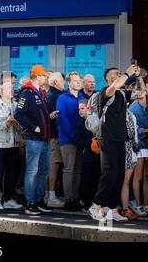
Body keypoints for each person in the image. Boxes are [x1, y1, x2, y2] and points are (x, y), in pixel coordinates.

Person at [88, 64, 139, 222]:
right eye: (115, 74)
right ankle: (95, 206)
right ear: (107, 79)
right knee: (109, 173)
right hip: (107, 137)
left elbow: (141, 92)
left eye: (119, 73)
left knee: (119, 175)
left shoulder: (122, 94)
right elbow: (116, 85)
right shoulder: (105, 92)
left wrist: (137, 76)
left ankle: (111, 208)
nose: (118, 75)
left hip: (121, 138)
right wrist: (126, 73)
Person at [14, 65, 52, 215]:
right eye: (44, 76)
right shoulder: (28, 93)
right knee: (32, 171)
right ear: (37, 77)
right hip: (34, 139)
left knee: (45, 169)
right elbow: (19, 114)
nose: (46, 78)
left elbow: (36, 114)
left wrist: (48, 118)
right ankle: (30, 203)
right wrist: (32, 127)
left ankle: (38, 200)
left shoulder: (39, 92)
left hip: (43, 139)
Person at [0, 81, 23, 211]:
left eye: (12, 88)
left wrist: (17, 124)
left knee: (11, 173)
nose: (12, 90)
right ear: (1, 91)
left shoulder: (16, 105)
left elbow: (22, 123)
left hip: (13, 143)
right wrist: (5, 124)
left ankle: (7, 199)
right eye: (8, 88)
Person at [129, 76, 148, 217]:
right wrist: (146, 130)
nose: (140, 93)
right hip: (139, 145)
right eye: (137, 90)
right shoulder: (133, 107)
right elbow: (132, 128)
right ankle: (138, 205)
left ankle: (146, 205)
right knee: (138, 177)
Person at [56, 72, 85, 211]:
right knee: (69, 169)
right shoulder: (62, 98)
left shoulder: (82, 97)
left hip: (81, 140)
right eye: (75, 80)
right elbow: (63, 120)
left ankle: (75, 198)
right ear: (69, 83)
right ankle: (69, 199)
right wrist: (75, 136)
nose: (78, 82)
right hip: (68, 139)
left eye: (79, 80)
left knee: (78, 170)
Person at [75, 100, 101, 211]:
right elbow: (78, 141)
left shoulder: (97, 122)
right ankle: (86, 203)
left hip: (99, 156)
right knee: (87, 180)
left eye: (82, 108)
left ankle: (96, 203)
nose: (80, 111)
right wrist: (90, 141)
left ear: (88, 109)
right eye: (79, 109)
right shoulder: (79, 124)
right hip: (87, 156)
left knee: (97, 180)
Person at [45, 72, 65, 209]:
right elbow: (47, 117)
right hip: (54, 136)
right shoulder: (53, 96)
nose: (64, 82)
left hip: (53, 136)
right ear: (55, 83)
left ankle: (48, 195)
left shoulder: (53, 95)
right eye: (62, 80)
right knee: (54, 165)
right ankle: (51, 196)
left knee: (53, 165)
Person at [120, 109, 139, 221]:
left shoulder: (131, 114)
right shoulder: (114, 113)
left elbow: (134, 134)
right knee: (116, 180)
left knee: (126, 181)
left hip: (130, 151)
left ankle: (125, 208)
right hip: (118, 151)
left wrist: (135, 152)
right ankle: (111, 206)